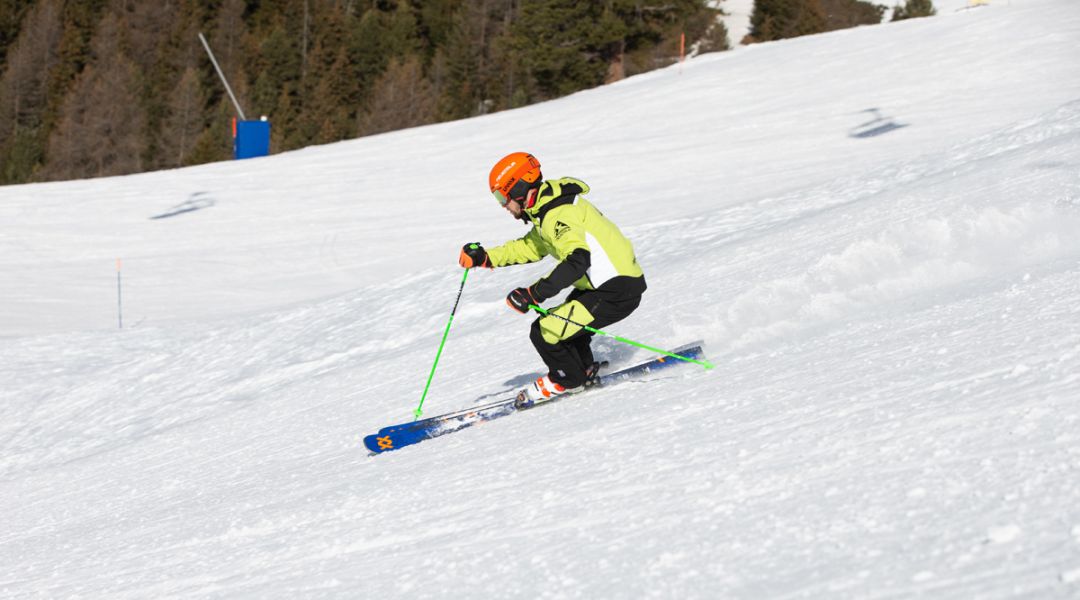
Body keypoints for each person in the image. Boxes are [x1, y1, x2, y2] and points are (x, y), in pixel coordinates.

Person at [458, 152, 647, 408]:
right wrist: (485, 257)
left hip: (614, 290)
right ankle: (581, 371)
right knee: (566, 331)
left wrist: (534, 294)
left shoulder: (558, 214)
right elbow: (530, 247)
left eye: (502, 197)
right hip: (604, 286)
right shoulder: (546, 210)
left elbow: (578, 259)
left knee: (545, 331)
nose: (503, 205)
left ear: (519, 187)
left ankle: (569, 380)